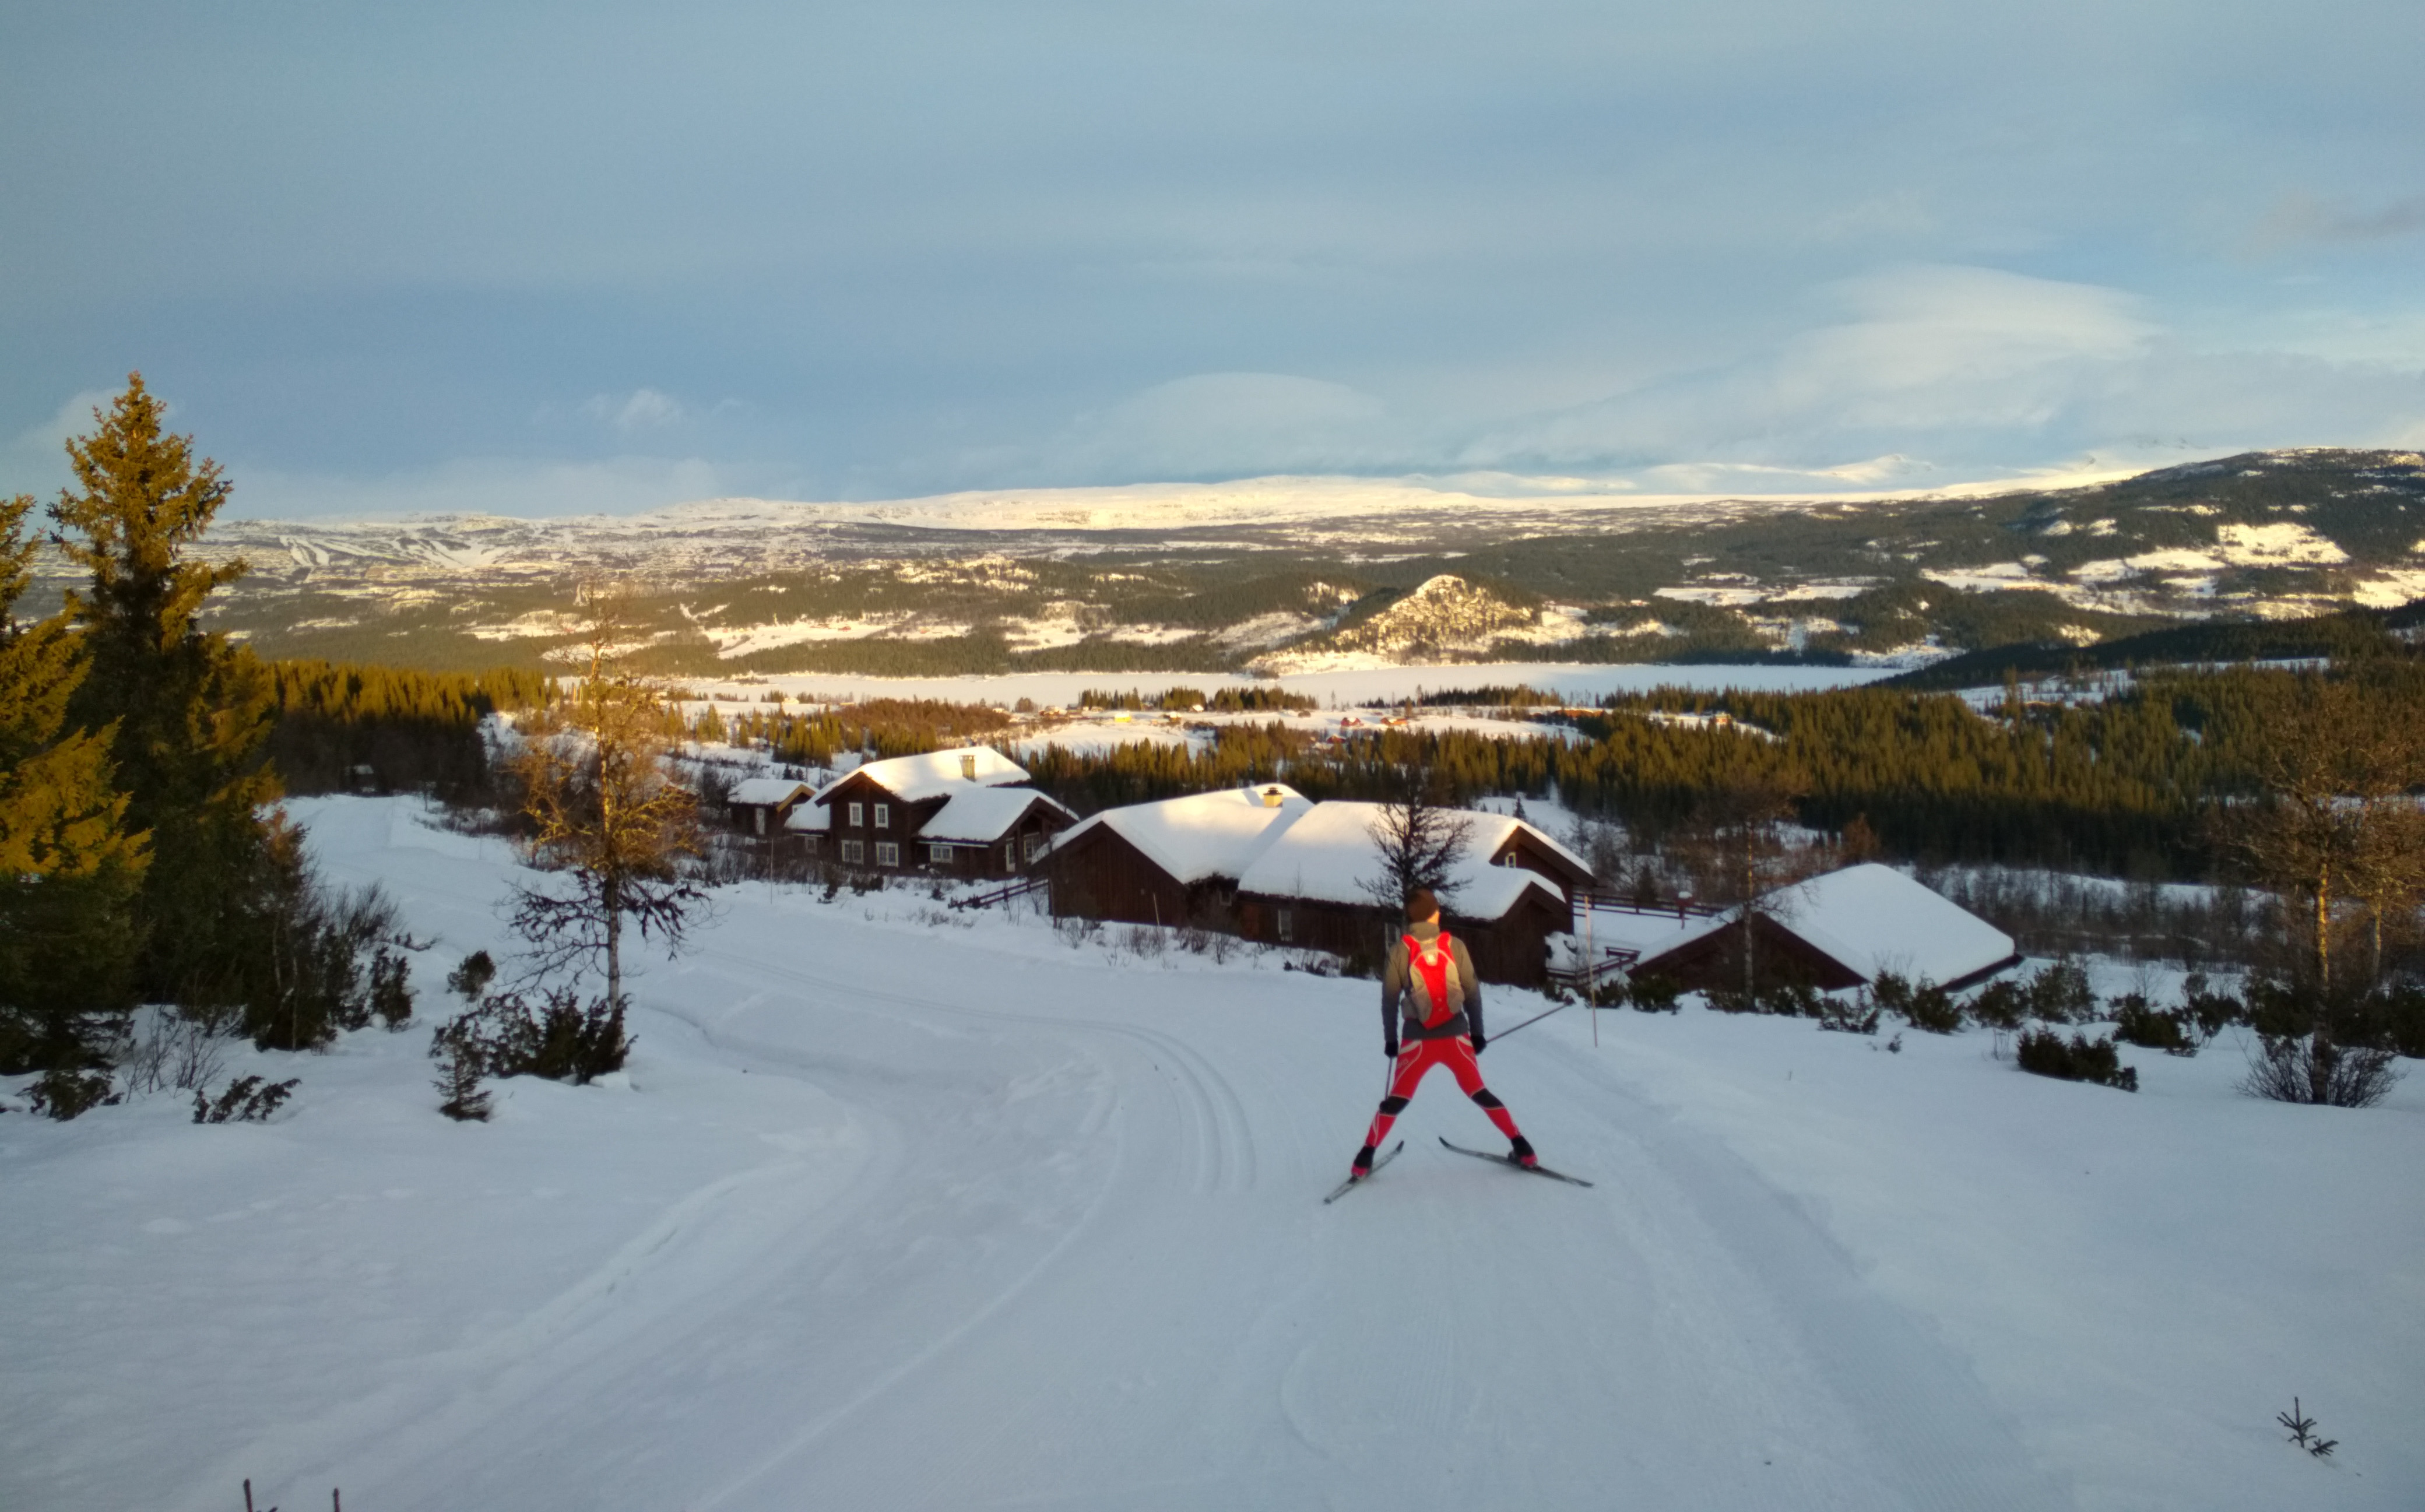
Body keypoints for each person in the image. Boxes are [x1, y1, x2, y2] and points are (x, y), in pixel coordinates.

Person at [1349, 888, 1535, 1179]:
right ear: (1435, 914)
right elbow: (1472, 991)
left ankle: (1364, 1160)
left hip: (1416, 1041)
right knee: (1480, 1093)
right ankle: (1523, 1149)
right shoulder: (1455, 946)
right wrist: (1477, 1033)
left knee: (1397, 1099)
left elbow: (1389, 1000)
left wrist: (1391, 1040)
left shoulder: (1400, 951)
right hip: (1456, 1037)